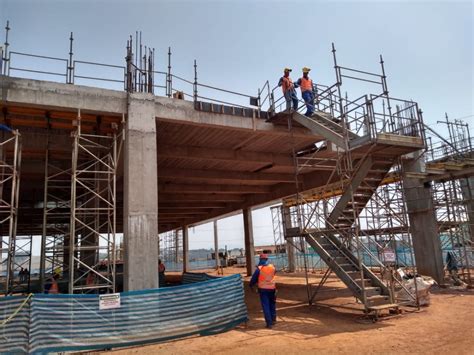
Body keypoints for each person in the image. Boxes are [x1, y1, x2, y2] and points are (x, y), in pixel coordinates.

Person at [249, 254, 277, 329]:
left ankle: (269, 323)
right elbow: (273, 275)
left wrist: (251, 285)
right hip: (272, 288)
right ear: (267, 259)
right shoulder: (272, 267)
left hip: (263, 290)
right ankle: (273, 320)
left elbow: (253, 280)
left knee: (266, 306)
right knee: (272, 304)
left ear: (260, 259)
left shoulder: (259, 269)